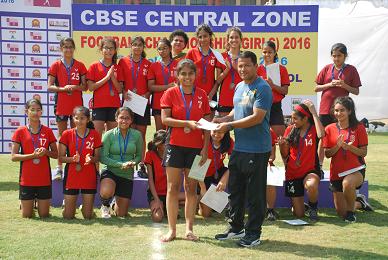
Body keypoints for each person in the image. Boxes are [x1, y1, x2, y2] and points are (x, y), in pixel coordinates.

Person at [214, 51, 272, 247]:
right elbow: (236, 110)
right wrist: (223, 119)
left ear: (256, 66)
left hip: (257, 149)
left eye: (247, 65)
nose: (243, 69)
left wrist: (229, 126)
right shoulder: (239, 86)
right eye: (239, 66)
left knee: (255, 194)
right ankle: (236, 227)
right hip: (239, 147)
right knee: (236, 190)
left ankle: (253, 233)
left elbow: (257, 117)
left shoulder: (262, 88)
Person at [160, 59, 211, 242]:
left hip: (196, 148)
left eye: (190, 74)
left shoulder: (202, 95)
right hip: (174, 145)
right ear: (178, 75)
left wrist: (205, 150)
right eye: (183, 74)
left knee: (191, 187)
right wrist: (186, 124)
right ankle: (171, 230)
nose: (187, 77)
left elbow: (206, 126)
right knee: (172, 187)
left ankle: (189, 229)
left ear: (195, 75)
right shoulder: (170, 93)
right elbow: (165, 120)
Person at [47, 37, 87, 180]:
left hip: (77, 108)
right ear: (61, 49)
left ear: (74, 48)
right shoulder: (55, 66)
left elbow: (85, 86)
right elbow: (49, 86)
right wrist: (63, 89)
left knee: (78, 136)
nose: (68, 49)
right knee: (62, 136)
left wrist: (75, 87)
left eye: (70, 47)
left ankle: (78, 163)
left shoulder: (80, 65)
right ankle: (59, 167)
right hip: (62, 106)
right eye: (65, 47)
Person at [323, 96, 368, 222]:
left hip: (356, 170)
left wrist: (348, 147)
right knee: (341, 212)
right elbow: (327, 154)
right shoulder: (329, 128)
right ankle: (359, 202)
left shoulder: (359, 127)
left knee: (347, 183)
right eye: (336, 110)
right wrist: (338, 146)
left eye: (342, 110)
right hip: (337, 172)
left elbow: (363, 153)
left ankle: (351, 213)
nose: (338, 113)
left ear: (349, 111)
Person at [278, 100, 324, 221]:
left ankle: (313, 208)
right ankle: (301, 207)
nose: (292, 121)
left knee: (311, 185)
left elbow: (321, 135)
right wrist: (282, 146)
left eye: (296, 118)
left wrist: (313, 111)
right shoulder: (290, 129)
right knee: (299, 215)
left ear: (305, 119)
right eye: (291, 118)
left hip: (310, 170)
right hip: (292, 173)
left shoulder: (314, 129)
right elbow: (284, 154)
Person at [11, 99, 58, 218]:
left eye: (38, 110)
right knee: (26, 215)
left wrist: (46, 152)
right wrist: (33, 155)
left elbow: (56, 154)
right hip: (27, 179)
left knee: (44, 215)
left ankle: (35, 203)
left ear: (41, 112)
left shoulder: (47, 131)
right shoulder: (20, 131)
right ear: (26, 111)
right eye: (32, 110)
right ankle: (27, 204)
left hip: (44, 179)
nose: (35, 113)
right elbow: (14, 156)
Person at [58, 106, 102, 219]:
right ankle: (67, 206)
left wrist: (92, 159)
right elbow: (61, 157)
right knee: (68, 216)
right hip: (72, 175)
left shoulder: (94, 134)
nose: (79, 121)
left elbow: (98, 157)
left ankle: (85, 208)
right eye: (76, 118)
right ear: (73, 119)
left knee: (88, 216)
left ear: (88, 119)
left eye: (82, 118)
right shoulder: (67, 134)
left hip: (89, 174)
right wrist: (72, 159)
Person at [99, 107, 143, 218]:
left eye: (127, 118)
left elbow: (139, 156)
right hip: (110, 171)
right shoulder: (108, 135)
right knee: (106, 191)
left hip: (127, 173)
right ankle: (105, 205)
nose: (124, 121)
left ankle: (114, 204)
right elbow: (103, 158)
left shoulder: (137, 135)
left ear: (131, 120)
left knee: (121, 214)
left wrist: (133, 163)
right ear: (116, 118)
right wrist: (120, 164)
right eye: (121, 117)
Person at [118, 36, 151, 161]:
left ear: (143, 47)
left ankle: (141, 163)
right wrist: (123, 91)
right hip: (129, 102)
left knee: (140, 135)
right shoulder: (123, 62)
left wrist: (147, 95)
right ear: (130, 46)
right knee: (127, 133)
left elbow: (151, 85)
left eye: (140, 45)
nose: (137, 47)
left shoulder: (148, 64)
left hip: (142, 103)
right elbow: (120, 83)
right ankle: (127, 160)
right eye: (134, 44)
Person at [87, 37, 122, 136]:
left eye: (111, 48)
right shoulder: (94, 66)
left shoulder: (118, 67)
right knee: (97, 137)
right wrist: (107, 77)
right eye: (106, 48)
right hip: (99, 106)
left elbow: (119, 90)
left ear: (115, 50)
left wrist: (113, 78)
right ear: (101, 49)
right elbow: (91, 87)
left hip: (114, 106)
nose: (109, 51)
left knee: (112, 137)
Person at [257, 40, 290, 137]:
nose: (267, 54)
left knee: (280, 139)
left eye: (270, 52)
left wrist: (273, 86)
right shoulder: (257, 69)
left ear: (275, 53)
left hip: (275, 106)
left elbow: (285, 90)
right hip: (261, 106)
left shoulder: (282, 69)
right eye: (264, 52)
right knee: (261, 138)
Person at [198, 130, 233, 218]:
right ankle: (198, 201)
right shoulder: (203, 140)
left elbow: (234, 163)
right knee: (206, 214)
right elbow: (196, 169)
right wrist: (203, 189)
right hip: (201, 175)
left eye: (221, 132)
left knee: (236, 174)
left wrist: (224, 179)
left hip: (217, 172)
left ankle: (233, 206)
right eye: (214, 131)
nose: (217, 135)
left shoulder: (229, 141)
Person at [211, 27, 243, 117]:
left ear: (241, 40)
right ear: (228, 40)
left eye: (236, 37)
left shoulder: (245, 57)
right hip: (225, 98)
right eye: (231, 37)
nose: (234, 40)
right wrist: (227, 69)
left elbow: (250, 78)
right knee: (224, 129)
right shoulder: (222, 56)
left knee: (241, 129)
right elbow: (218, 80)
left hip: (242, 98)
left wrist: (236, 68)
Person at [147, 38, 178, 131]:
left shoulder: (178, 65)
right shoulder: (153, 66)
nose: (162, 51)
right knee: (160, 134)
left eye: (165, 48)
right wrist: (168, 87)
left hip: (175, 103)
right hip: (158, 104)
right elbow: (151, 87)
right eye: (160, 49)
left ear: (170, 48)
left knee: (173, 134)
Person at [186, 24, 217, 111]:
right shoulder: (191, 52)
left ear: (210, 36)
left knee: (209, 123)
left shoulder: (216, 54)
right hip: (193, 92)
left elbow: (218, 79)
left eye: (205, 36)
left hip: (210, 94)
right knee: (194, 121)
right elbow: (185, 74)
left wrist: (211, 94)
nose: (202, 39)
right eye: (200, 37)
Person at [145, 130, 168, 223]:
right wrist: (157, 200)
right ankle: (163, 207)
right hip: (156, 194)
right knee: (157, 218)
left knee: (194, 198)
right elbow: (150, 180)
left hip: (171, 194)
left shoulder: (172, 155)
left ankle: (168, 206)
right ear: (158, 144)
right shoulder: (150, 155)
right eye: (165, 143)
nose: (168, 145)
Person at [265, 128, 278, 221]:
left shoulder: (269, 131)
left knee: (271, 176)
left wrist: (268, 161)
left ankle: (270, 210)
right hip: (250, 162)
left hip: (265, 163)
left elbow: (272, 156)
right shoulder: (245, 128)